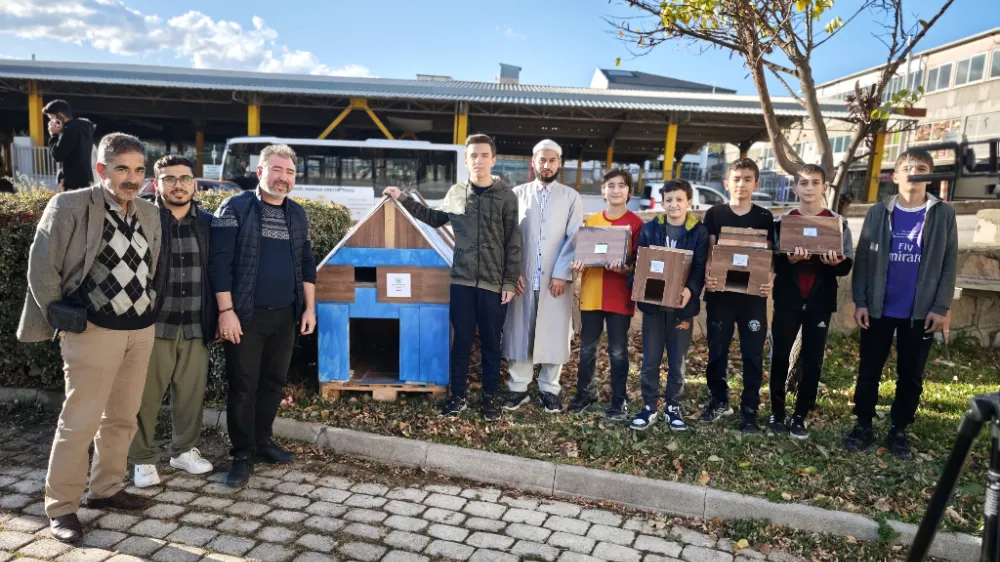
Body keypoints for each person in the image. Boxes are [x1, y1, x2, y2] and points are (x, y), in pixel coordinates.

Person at [17, 133, 160, 543]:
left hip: (140, 330)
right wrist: (60, 315)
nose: (132, 178)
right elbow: (42, 268)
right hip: (93, 332)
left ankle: (107, 489)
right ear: (102, 170)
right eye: (122, 169)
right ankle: (61, 508)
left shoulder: (149, 212)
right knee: (79, 422)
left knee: (122, 417)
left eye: (138, 170)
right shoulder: (69, 205)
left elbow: (154, 264)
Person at [384, 134, 521, 422]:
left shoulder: (507, 196)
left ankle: (490, 399)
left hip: (494, 285)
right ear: (467, 160)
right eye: (473, 155)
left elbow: (513, 241)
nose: (479, 160)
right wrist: (403, 199)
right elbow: (435, 218)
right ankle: (457, 396)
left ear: (493, 160)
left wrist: (509, 281)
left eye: (484, 155)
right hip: (462, 282)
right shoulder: (457, 193)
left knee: (491, 346)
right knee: (460, 343)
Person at [210, 144, 317, 487]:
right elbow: (220, 262)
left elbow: (306, 263)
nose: (283, 178)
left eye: (290, 172)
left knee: (272, 383)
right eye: (277, 170)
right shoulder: (236, 207)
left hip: (285, 316)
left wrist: (309, 308)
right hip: (244, 317)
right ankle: (242, 454)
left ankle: (263, 442)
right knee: (243, 386)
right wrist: (225, 312)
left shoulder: (297, 214)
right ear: (260, 171)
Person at [845, 148, 957, 459]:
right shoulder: (878, 213)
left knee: (910, 373)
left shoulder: (943, 215)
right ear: (895, 176)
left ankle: (899, 429)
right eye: (907, 167)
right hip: (880, 308)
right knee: (869, 369)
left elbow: (949, 263)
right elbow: (864, 260)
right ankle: (863, 424)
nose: (913, 172)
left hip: (919, 312)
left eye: (921, 167)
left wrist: (941, 306)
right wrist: (861, 301)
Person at [129, 155, 217, 487]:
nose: (178, 185)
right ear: (156, 183)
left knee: (191, 395)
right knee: (144, 396)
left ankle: (183, 451)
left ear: (195, 183)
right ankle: (142, 458)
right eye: (169, 179)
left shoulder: (209, 223)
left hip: (196, 324)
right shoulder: (143, 217)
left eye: (184, 178)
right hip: (154, 324)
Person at [769, 164, 854, 439]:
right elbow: (774, 263)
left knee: (813, 360)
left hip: (819, 301)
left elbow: (845, 266)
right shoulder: (782, 222)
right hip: (788, 299)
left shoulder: (837, 223)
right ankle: (777, 412)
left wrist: (835, 263)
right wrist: (789, 260)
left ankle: (800, 416)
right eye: (803, 183)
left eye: (814, 183)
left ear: (824, 188)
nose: (809, 188)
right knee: (779, 356)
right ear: (795, 188)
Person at [502, 139, 583, 413]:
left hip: (555, 280)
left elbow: (574, 238)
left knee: (554, 332)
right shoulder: (516, 194)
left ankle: (550, 389)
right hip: (523, 278)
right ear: (533, 162)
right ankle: (518, 388)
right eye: (541, 160)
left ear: (559, 163)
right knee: (521, 331)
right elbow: (508, 237)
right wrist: (513, 273)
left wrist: (562, 274)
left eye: (552, 160)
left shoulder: (571, 197)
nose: (546, 165)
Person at [701, 158, 775, 433]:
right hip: (721, 296)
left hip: (753, 300)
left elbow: (768, 256)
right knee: (717, 351)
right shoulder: (715, 214)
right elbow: (711, 251)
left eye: (747, 179)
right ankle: (719, 401)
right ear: (726, 183)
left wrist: (769, 280)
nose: (741, 184)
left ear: (756, 183)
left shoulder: (764, 217)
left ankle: (749, 410)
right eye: (736, 179)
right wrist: (709, 275)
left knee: (752, 354)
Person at [629, 179, 709, 431]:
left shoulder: (699, 231)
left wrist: (690, 290)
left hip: (681, 309)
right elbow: (640, 262)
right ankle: (649, 406)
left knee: (677, 361)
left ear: (689, 202)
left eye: (679, 199)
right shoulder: (651, 228)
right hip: (653, 308)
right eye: (669, 200)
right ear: (662, 202)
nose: (674, 204)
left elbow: (699, 267)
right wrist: (638, 287)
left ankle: (673, 407)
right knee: (650, 360)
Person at [568, 168, 644, 419]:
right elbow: (584, 257)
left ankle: (618, 400)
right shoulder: (592, 222)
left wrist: (624, 270)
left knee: (618, 351)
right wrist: (578, 266)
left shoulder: (636, 224)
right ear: (603, 191)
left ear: (629, 192)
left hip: (619, 296)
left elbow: (638, 266)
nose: (616, 190)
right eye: (610, 185)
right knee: (587, 348)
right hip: (592, 293)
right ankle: (584, 393)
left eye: (621, 186)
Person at [43, 99, 96, 191]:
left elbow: (57, 155)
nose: (51, 122)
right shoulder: (82, 128)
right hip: (84, 182)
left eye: (52, 118)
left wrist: (53, 135)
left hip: (74, 186)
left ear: (60, 116)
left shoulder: (70, 129)